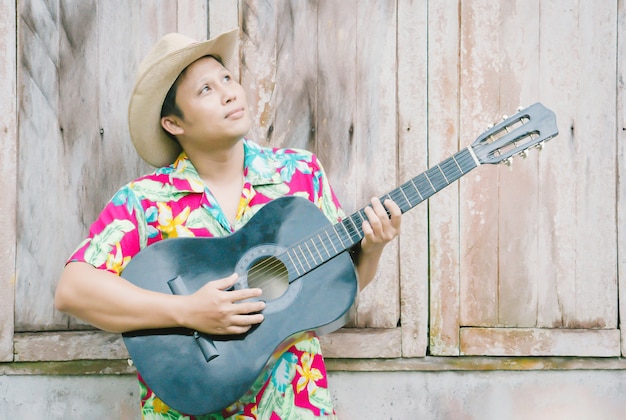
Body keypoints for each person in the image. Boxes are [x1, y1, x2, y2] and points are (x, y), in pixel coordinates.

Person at [55, 28, 402, 419]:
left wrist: (372, 248)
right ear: (174, 123)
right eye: (205, 90)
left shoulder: (299, 173)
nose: (229, 93)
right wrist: (188, 311)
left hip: (292, 406)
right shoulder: (145, 201)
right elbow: (74, 290)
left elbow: (334, 287)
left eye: (227, 79)